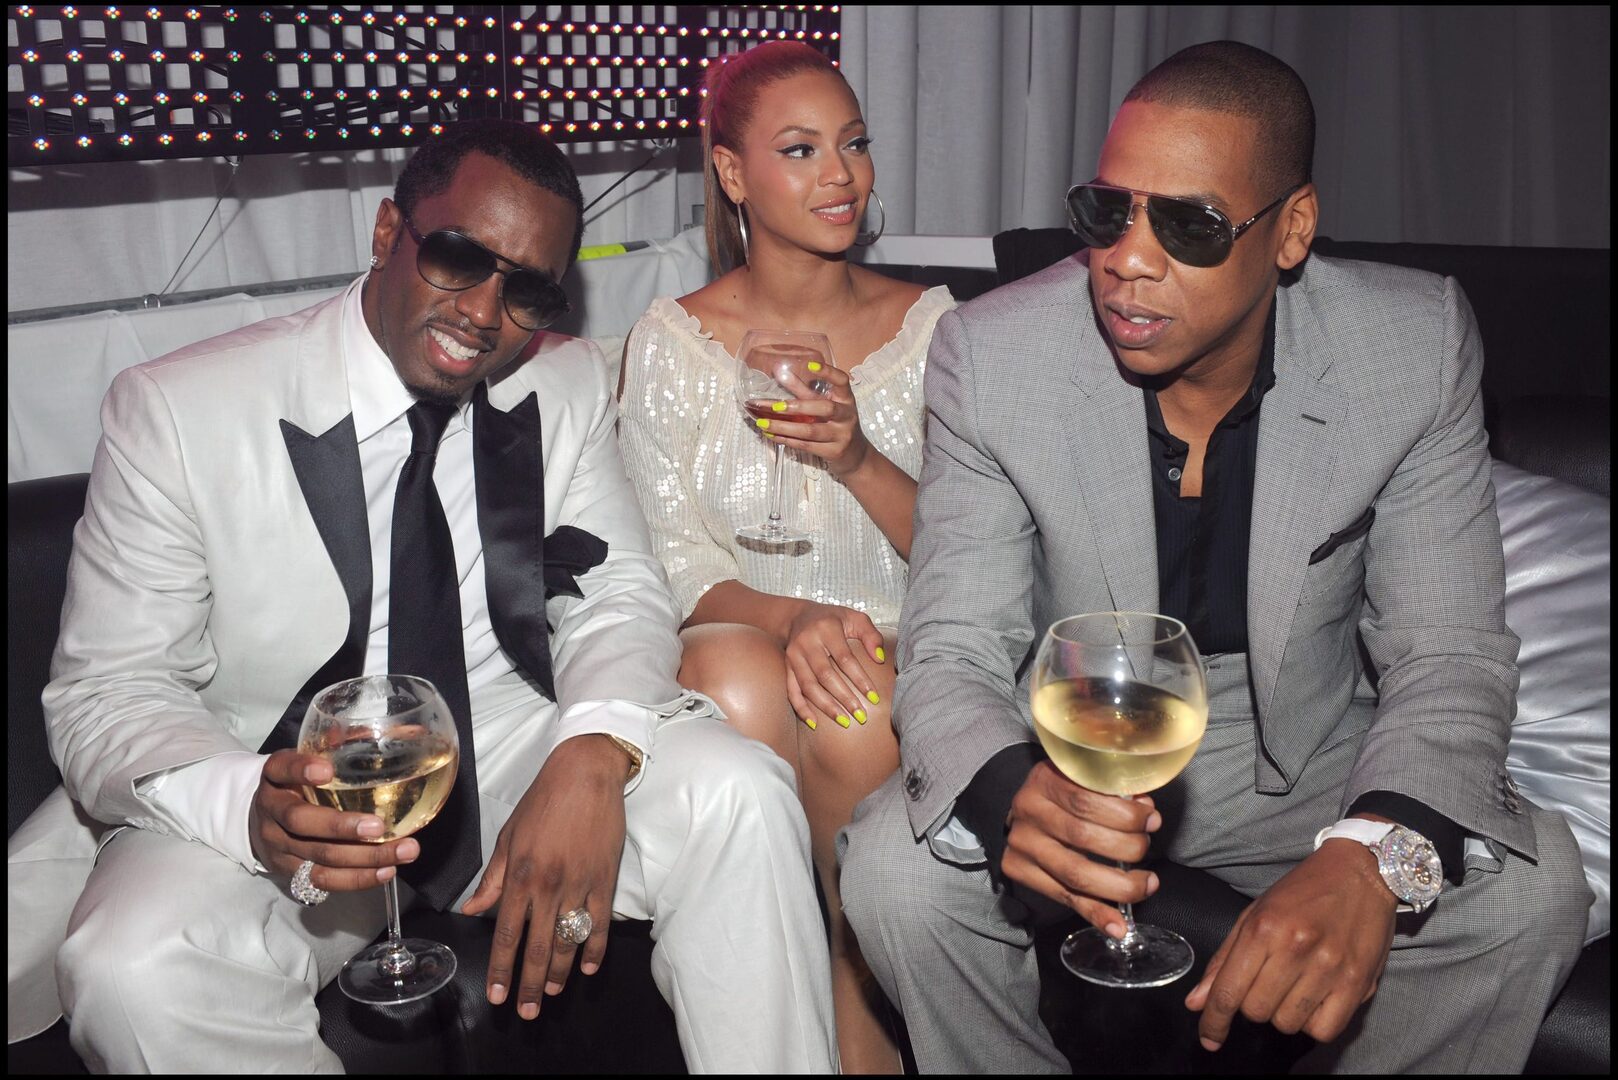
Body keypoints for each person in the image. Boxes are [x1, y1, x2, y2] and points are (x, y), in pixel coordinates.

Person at [6, 119, 837, 1073]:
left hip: (506, 742)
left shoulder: (564, 380)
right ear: (386, 232)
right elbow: (108, 689)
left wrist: (595, 749)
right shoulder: (179, 411)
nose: (484, 313)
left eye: (525, 289)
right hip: (279, 772)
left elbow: (616, 588)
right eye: (458, 258)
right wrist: (251, 806)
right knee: (134, 967)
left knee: (742, 796)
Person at [839, 40, 1591, 1073]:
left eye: (1189, 225)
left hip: (1307, 750)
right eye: (1109, 212)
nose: (1129, 259)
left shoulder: (1412, 346)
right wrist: (1013, 793)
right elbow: (954, 645)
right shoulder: (994, 353)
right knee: (895, 875)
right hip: (1074, 739)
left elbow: (1447, 652)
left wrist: (1372, 853)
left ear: (1292, 229)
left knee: (1534, 893)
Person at [617, 41, 953, 1074]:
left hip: (894, 642)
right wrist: (792, 616)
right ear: (732, 172)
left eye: (853, 144)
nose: (840, 175)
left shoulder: (934, 331)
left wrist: (856, 459)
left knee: (853, 701)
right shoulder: (673, 343)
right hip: (741, 640)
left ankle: (857, 1003)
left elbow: (967, 555)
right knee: (736, 673)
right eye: (801, 150)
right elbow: (670, 563)